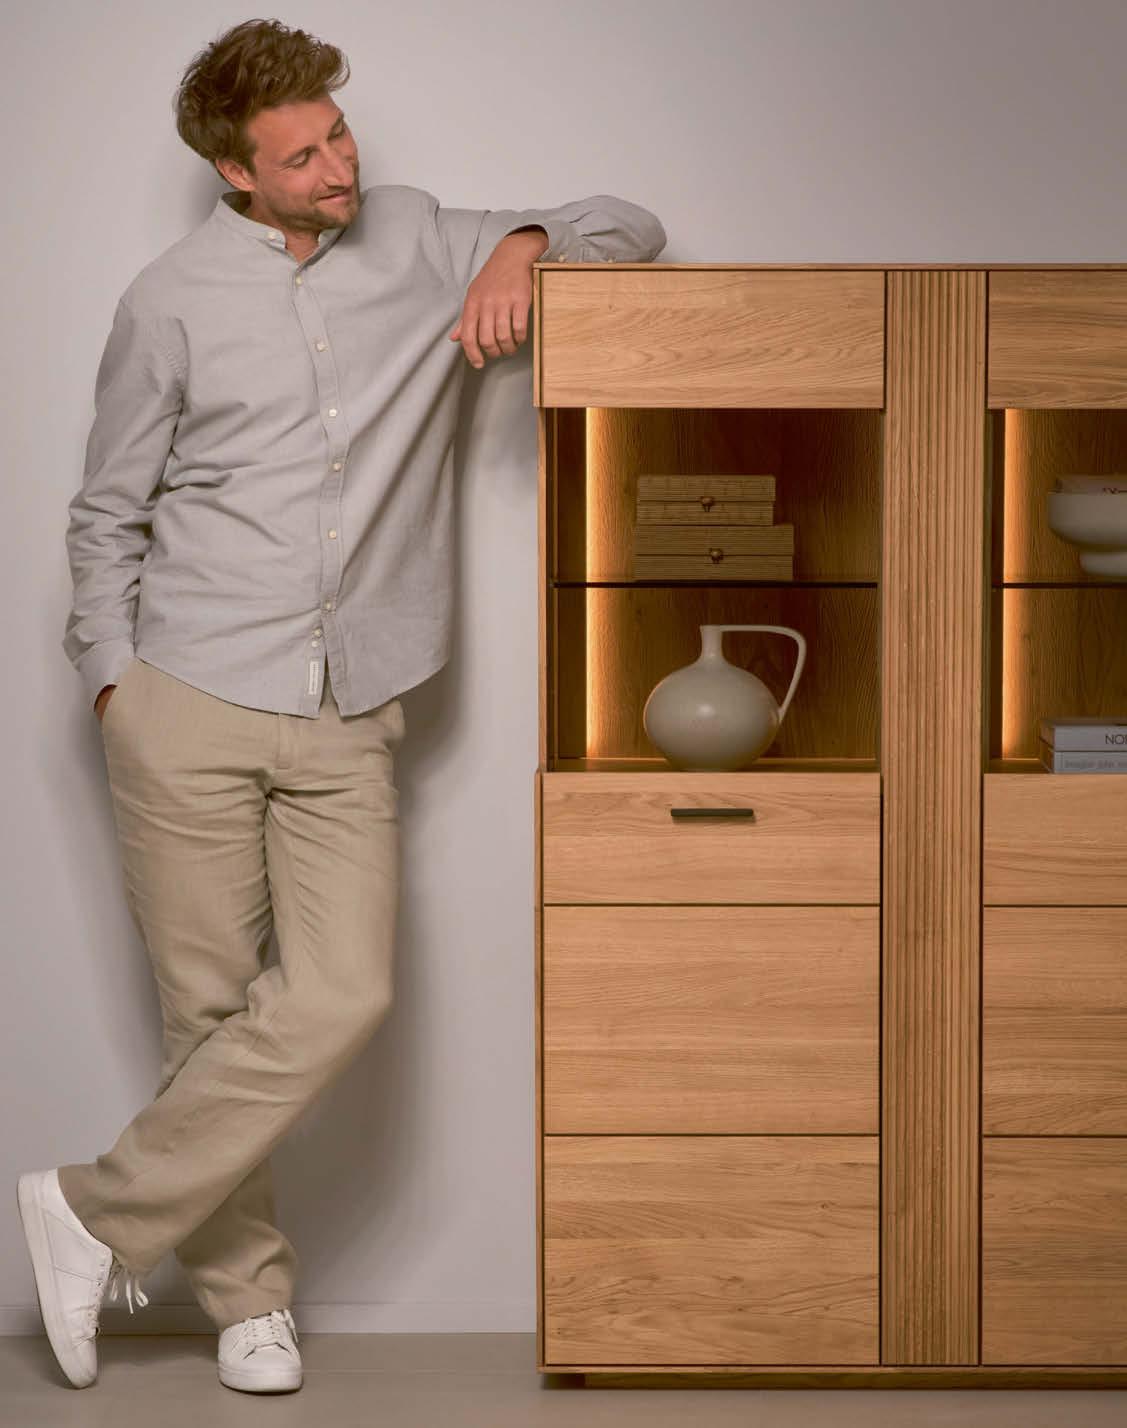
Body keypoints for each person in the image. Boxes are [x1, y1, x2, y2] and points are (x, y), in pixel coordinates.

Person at [16, 15, 665, 1398]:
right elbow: (107, 510)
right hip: (183, 691)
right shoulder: (169, 299)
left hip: (347, 703)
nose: (338, 167)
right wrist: (111, 676)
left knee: (342, 992)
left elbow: (633, 226)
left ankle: (94, 1209)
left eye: (340, 134)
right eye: (301, 155)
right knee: (208, 1011)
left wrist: (525, 243)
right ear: (234, 172)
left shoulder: (420, 235)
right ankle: (248, 1303)